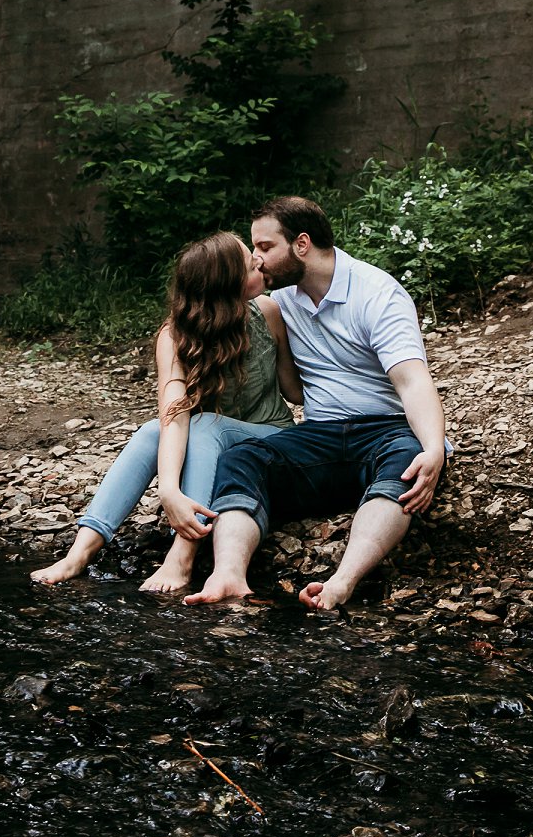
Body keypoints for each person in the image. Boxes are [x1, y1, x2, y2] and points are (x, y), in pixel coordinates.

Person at [185, 196, 446, 612]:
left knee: (408, 459)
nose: (256, 259)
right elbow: (211, 304)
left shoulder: (377, 293)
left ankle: (341, 583)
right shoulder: (280, 301)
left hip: (386, 430)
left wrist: (434, 447)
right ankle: (228, 574)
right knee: (241, 458)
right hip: (319, 436)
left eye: (265, 247)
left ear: (301, 244)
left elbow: (413, 380)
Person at [31, 231, 302, 591]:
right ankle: (80, 552)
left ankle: (183, 556)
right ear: (227, 284)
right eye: (250, 263)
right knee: (150, 431)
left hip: (271, 439)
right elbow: (173, 412)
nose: (259, 261)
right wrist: (169, 490)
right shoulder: (175, 336)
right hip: (214, 444)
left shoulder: (268, 311)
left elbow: (293, 390)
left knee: (206, 424)